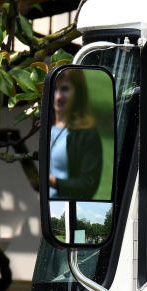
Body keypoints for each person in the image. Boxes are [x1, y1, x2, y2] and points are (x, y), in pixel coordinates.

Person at [48, 68, 102, 200]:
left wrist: (52, 181)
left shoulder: (87, 134)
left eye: (65, 89)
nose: (58, 96)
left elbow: (88, 184)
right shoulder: (43, 124)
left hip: (63, 205)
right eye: (54, 89)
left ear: (78, 92)